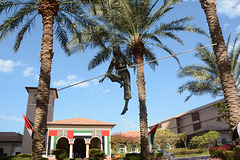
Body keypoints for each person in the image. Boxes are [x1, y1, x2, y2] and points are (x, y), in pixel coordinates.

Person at [99, 44, 133, 115]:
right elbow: (109, 70)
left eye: (116, 48)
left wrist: (131, 65)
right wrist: (103, 78)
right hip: (119, 74)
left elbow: (129, 62)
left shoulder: (122, 56)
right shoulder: (113, 59)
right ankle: (120, 82)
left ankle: (126, 107)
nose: (114, 49)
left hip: (125, 73)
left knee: (127, 89)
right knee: (109, 74)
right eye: (113, 48)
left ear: (118, 49)